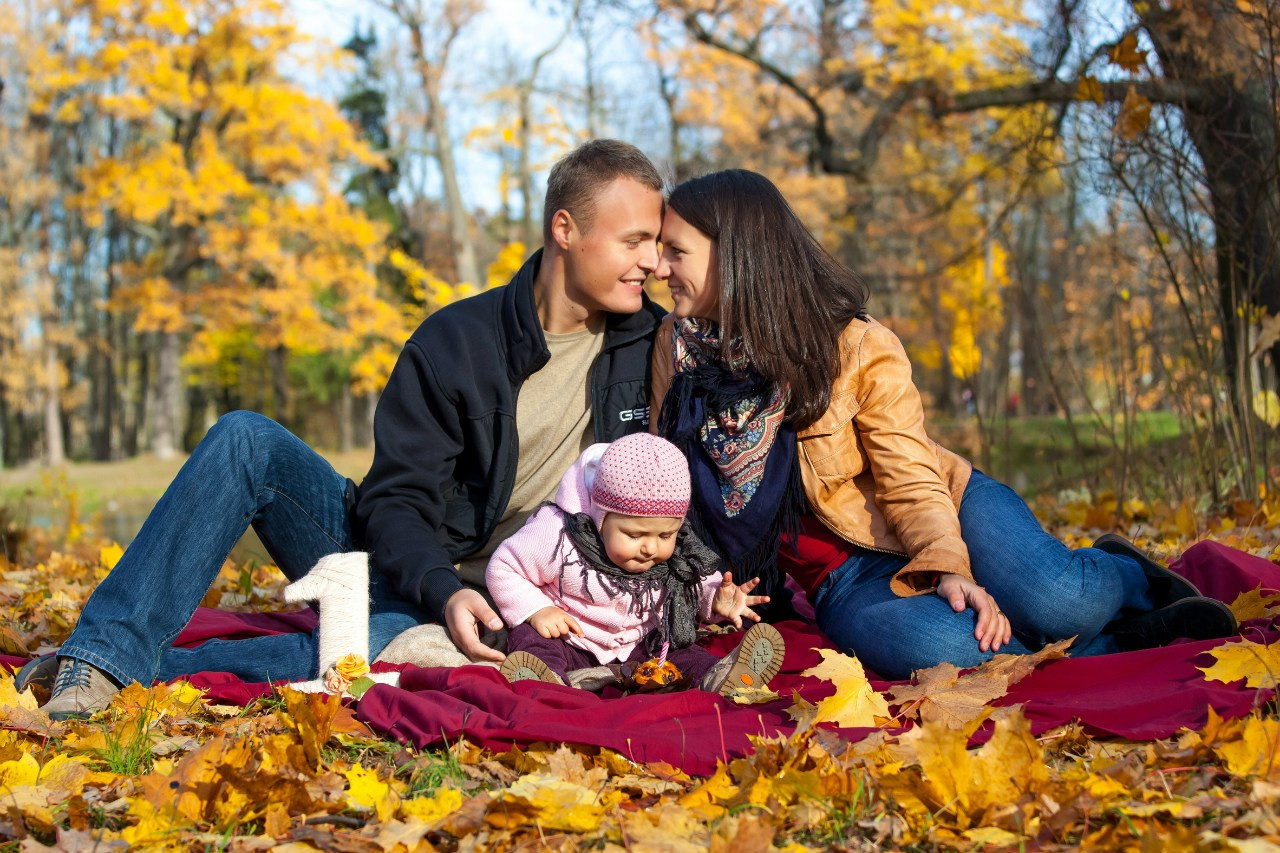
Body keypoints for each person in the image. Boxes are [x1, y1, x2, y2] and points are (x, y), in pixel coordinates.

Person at [20, 139, 669, 719]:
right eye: (634, 241)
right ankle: (104, 650)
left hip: (521, 606)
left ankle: (107, 669)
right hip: (414, 569)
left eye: (659, 245)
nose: (653, 263)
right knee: (246, 437)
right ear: (565, 228)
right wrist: (442, 589)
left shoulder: (654, 348)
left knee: (355, 653)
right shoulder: (457, 342)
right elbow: (398, 501)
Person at [648, 168, 1239, 681]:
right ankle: (1116, 646)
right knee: (946, 648)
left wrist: (948, 569)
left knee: (1060, 599)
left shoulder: (856, 345)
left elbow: (910, 479)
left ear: (736, 253)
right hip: (846, 576)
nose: (659, 267)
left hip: (946, 508)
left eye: (677, 251)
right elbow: (669, 487)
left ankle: (1126, 577)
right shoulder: (674, 348)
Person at [486, 432, 785, 695]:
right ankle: (544, 681)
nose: (651, 547)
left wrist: (716, 598)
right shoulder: (558, 534)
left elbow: (692, 584)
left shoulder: (675, 549)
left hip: (638, 646)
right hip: (571, 639)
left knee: (680, 651)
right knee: (532, 637)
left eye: (666, 534)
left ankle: (723, 677)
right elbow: (504, 567)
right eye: (633, 534)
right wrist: (537, 609)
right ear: (600, 517)